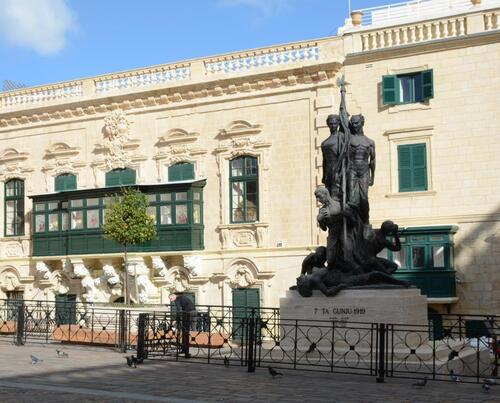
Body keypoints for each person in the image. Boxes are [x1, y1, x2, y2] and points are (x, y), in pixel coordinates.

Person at [347, 114, 375, 225]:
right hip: (352, 169)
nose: (354, 125)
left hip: (364, 171)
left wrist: (373, 177)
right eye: (352, 123)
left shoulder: (370, 142)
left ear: (362, 123)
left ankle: (365, 221)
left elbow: (372, 160)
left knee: (364, 198)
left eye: (356, 122)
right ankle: (353, 222)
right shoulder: (348, 139)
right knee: (352, 198)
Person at [321, 114, 344, 200]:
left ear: (338, 124)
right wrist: (323, 175)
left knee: (336, 195)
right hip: (328, 171)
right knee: (329, 194)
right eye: (331, 123)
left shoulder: (342, 137)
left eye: (335, 123)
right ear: (328, 124)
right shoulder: (324, 143)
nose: (333, 125)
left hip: (338, 169)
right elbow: (324, 161)